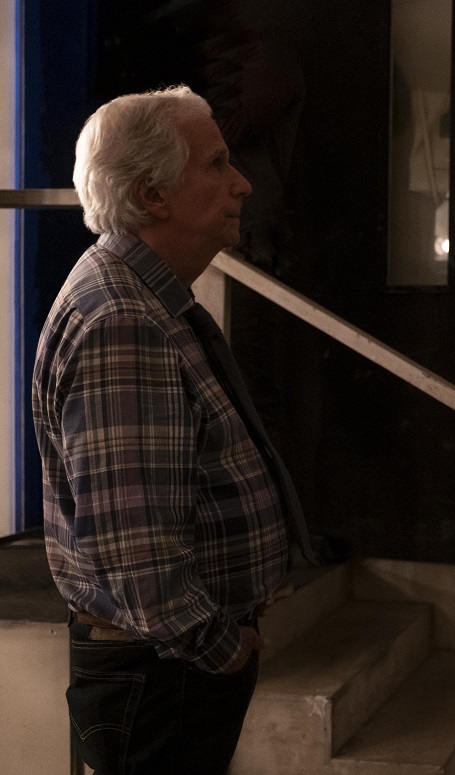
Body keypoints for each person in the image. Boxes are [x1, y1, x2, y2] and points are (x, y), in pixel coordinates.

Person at [32, 85, 315, 774]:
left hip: (167, 666)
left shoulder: (143, 296)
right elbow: (137, 552)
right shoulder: (123, 321)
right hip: (164, 672)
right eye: (216, 164)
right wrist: (219, 646)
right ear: (151, 194)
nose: (243, 183)